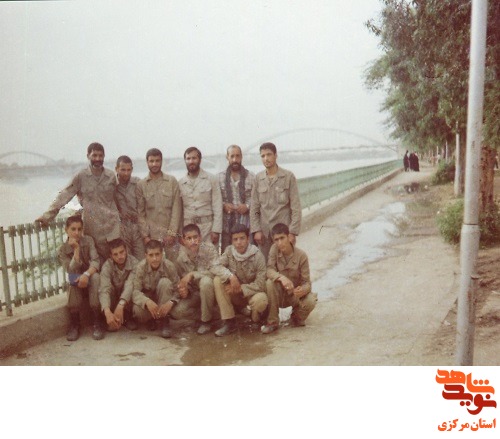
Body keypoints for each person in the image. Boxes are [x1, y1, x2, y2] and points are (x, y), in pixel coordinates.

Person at [36, 142, 121, 265]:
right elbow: (64, 196)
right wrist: (47, 216)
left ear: (104, 156)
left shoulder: (111, 176)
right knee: (96, 265)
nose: (98, 159)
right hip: (93, 231)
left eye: (100, 156)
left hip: (112, 230)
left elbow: (119, 199)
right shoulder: (81, 177)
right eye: (94, 155)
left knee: (117, 265)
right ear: (88, 156)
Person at [212, 224, 268, 336]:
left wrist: (241, 288)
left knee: (261, 300)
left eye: (242, 238)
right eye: (235, 239)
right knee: (218, 280)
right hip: (236, 295)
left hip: (252, 294)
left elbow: (261, 284)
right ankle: (229, 321)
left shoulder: (257, 255)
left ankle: (257, 318)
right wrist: (230, 276)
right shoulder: (229, 251)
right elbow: (215, 266)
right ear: (232, 241)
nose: (239, 242)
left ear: (248, 239)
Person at [261, 223, 317, 334]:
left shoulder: (301, 256)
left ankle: (296, 318)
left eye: (282, 238)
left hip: (295, 295)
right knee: (269, 283)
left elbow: (307, 283)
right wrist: (281, 278)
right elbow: (269, 270)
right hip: (280, 295)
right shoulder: (274, 249)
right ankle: (272, 322)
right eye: (276, 240)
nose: (279, 243)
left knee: (311, 300)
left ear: (289, 237)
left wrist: (302, 290)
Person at [250, 142, 301, 261]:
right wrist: (256, 230)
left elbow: (296, 207)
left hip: (283, 233)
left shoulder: (288, 177)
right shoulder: (258, 179)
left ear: (276, 155)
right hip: (265, 234)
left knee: (286, 264)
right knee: (266, 266)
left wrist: (292, 232)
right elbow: (254, 208)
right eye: (263, 156)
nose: (266, 158)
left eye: (269, 154)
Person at [58, 215, 101, 341]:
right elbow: (71, 270)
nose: (77, 233)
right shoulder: (62, 249)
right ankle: (75, 324)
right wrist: (76, 249)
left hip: (90, 278)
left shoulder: (88, 240)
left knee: (96, 277)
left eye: (79, 229)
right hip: (77, 281)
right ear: (66, 230)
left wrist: (86, 275)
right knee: (72, 279)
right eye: (73, 229)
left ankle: (97, 322)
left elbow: (96, 261)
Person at [136, 148, 182, 261]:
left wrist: (172, 234)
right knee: (153, 265)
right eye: (151, 161)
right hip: (152, 237)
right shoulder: (141, 185)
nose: (154, 164)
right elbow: (140, 213)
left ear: (162, 161)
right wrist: (145, 236)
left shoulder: (172, 181)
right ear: (147, 162)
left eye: (157, 161)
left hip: (170, 236)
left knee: (173, 265)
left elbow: (176, 209)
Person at [175, 223, 220, 335]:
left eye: (195, 237)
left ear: (200, 237)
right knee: (177, 311)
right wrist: (184, 290)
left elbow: (216, 272)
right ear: (183, 241)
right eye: (189, 238)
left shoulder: (209, 249)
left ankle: (206, 322)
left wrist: (193, 274)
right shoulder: (181, 259)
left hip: (212, 292)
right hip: (196, 294)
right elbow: (181, 282)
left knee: (205, 282)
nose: (193, 241)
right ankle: (209, 315)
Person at [131, 239, 180, 339]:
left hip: (164, 300)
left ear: (162, 254)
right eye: (151, 255)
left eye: (157, 254)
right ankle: (151, 320)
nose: (155, 258)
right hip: (149, 302)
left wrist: (171, 302)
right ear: (146, 255)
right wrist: (147, 301)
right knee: (137, 310)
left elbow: (178, 289)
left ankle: (164, 320)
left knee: (165, 282)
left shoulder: (169, 266)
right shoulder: (141, 267)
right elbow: (135, 291)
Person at [178, 147, 222, 247]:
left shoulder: (211, 179)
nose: (191, 161)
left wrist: (216, 230)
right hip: (188, 229)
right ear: (185, 160)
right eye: (188, 158)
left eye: (194, 158)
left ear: (200, 160)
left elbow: (217, 205)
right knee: (191, 255)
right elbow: (179, 210)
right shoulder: (180, 183)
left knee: (209, 255)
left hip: (207, 228)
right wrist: (180, 233)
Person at [218, 145, 256, 253]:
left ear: (241, 157)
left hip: (246, 226)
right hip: (227, 227)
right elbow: (216, 200)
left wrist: (247, 206)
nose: (235, 159)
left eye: (237, 156)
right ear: (227, 157)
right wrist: (224, 205)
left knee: (248, 255)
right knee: (227, 255)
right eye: (232, 156)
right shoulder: (219, 178)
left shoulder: (251, 176)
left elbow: (256, 199)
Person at [99, 238, 139, 334]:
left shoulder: (134, 263)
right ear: (111, 256)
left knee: (133, 286)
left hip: (127, 301)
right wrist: (107, 311)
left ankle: (127, 317)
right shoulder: (107, 266)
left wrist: (121, 305)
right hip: (113, 300)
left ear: (126, 251)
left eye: (122, 252)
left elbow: (130, 284)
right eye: (115, 254)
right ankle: (108, 318)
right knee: (105, 288)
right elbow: (104, 289)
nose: (120, 257)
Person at [115, 155, 145, 260]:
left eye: (129, 170)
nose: (126, 173)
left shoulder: (138, 183)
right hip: (121, 227)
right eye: (123, 170)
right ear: (116, 169)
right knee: (126, 259)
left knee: (141, 259)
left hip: (137, 227)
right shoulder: (111, 185)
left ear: (132, 169)